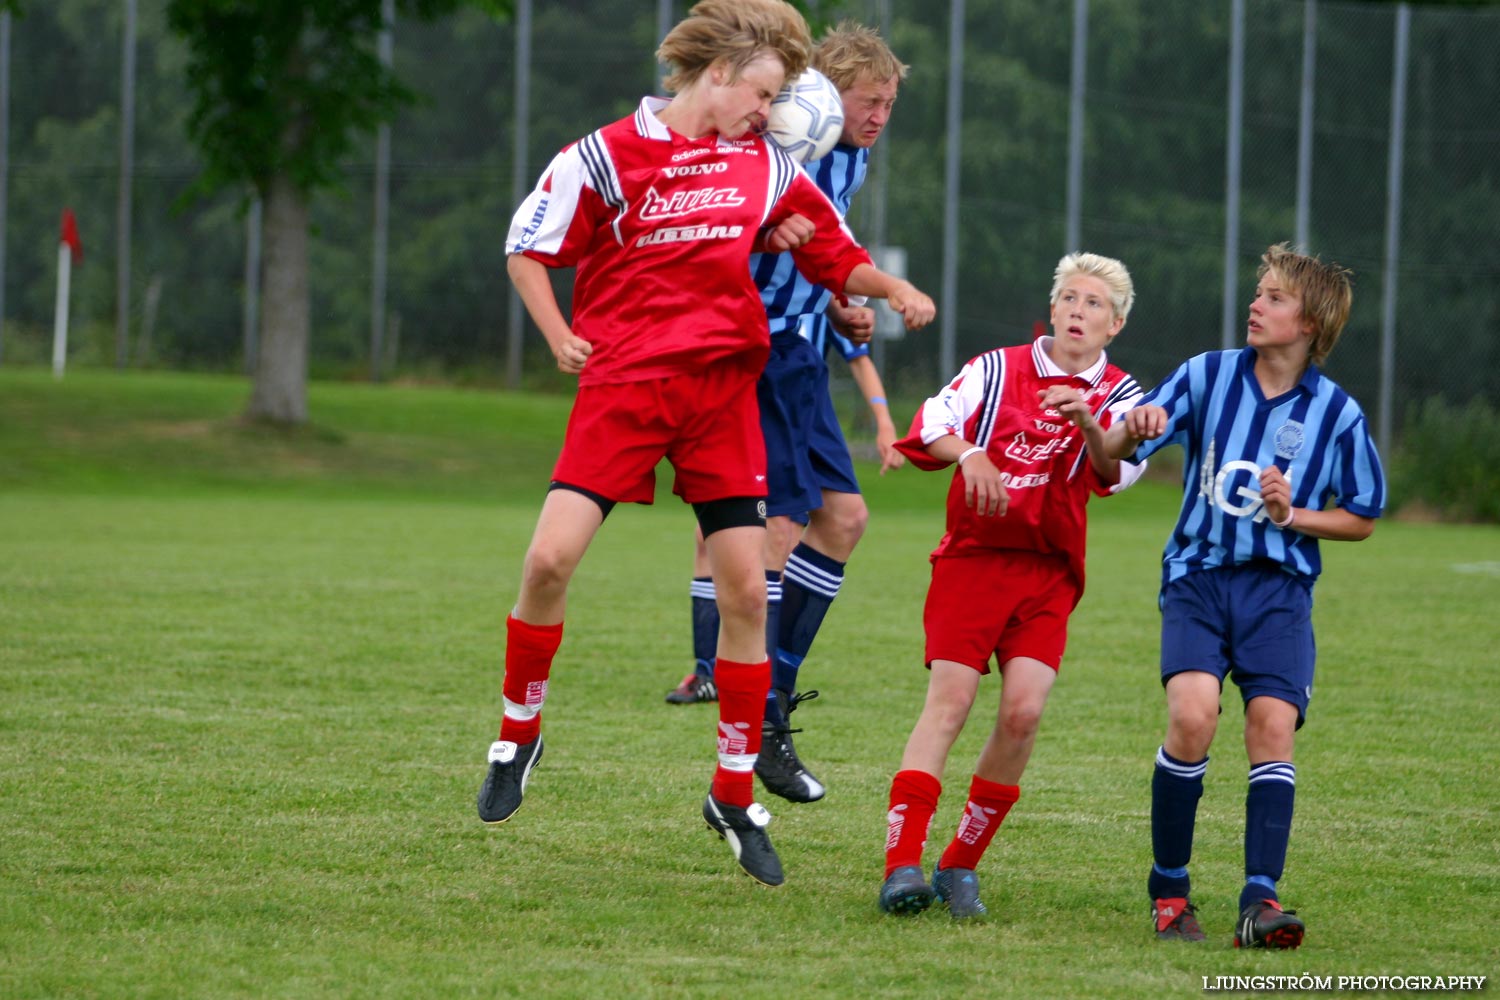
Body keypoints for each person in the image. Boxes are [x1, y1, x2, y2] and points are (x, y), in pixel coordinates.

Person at [475, 0, 935, 889]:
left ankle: (731, 792)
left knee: (746, 596)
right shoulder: (604, 154)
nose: (769, 115)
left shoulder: (764, 166)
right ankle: (519, 731)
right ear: (718, 74)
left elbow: (836, 256)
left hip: (722, 395)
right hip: (622, 390)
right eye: (763, 94)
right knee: (546, 563)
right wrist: (556, 332)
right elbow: (526, 250)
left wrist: (893, 286)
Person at [1098, 243, 1385, 948]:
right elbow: (1112, 450)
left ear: (1311, 323)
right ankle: (1169, 892)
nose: (1256, 305)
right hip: (1198, 579)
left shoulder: (1338, 416)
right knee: (1193, 719)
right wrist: (1127, 426)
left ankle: (1260, 902)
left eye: (1275, 298)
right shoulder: (1207, 374)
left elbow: (1363, 516)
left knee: (1272, 729)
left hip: (1278, 594)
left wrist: (1295, 516)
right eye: (1259, 293)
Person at [663, 22, 912, 811]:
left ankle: (773, 702)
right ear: (827, 95)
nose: (879, 116)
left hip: (801, 353)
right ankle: (750, 720)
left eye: (890, 104)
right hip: (753, 353)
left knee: (843, 520)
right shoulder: (784, 138)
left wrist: (840, 295)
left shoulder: (853, 154)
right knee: (779, 525)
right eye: (870, 102)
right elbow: (736, 229)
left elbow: (821, 237)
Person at [877, 252, 1146, 919]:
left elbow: (1119, 472)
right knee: (952, 700)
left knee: (1024, 713)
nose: (1079, 312)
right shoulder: (995, 368)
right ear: (1052, 309)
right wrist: (972, 454)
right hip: (974, 559)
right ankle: (901, 865)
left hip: (1048, 574)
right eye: (1071, 299)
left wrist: (1085, 418)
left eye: (1095, 305)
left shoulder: (1125, 396)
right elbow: (931, 425)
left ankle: (959, 867)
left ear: (1115, 326)